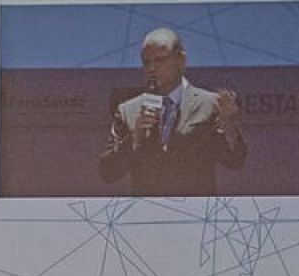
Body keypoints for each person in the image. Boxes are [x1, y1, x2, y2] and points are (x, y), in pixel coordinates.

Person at [98, 27, 246, 197]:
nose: (151, 68)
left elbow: (235, 161)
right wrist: (133, 139)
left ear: (181, 60)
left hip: (195, 210)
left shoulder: (210, 104)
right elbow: (107, 173)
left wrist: (229, 124)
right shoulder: (128, 110)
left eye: (160, 60)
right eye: (146, 62)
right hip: (146, 210)